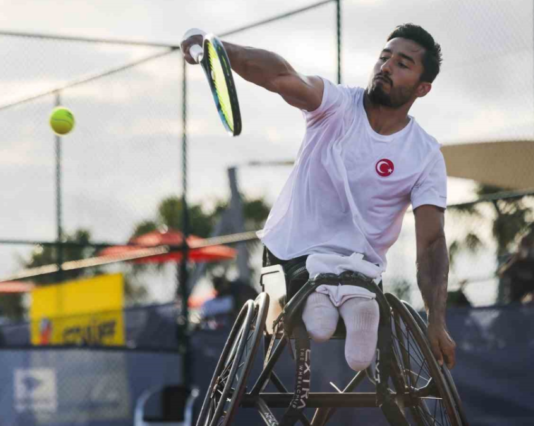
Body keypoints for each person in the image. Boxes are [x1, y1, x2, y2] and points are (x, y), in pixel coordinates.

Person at [182, 23, 456, 371]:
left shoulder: (425, 155)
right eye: (384, 58)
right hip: (290, 256)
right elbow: (282, 77)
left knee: (362, 349)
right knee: (320, 325)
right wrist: (218, 49)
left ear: (423, 88)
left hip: (359, 272)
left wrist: (436, 321)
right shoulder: (336, 105)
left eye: (402, 64)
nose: (386, 66)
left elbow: (432, 244)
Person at [497, 235, 534, 304]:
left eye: (528, 246)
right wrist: (514, 261)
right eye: (524, 246)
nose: (526, 249)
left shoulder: (532, 263)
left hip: (529, 302)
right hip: (512, 301)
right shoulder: (513, 259)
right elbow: (502, 274)